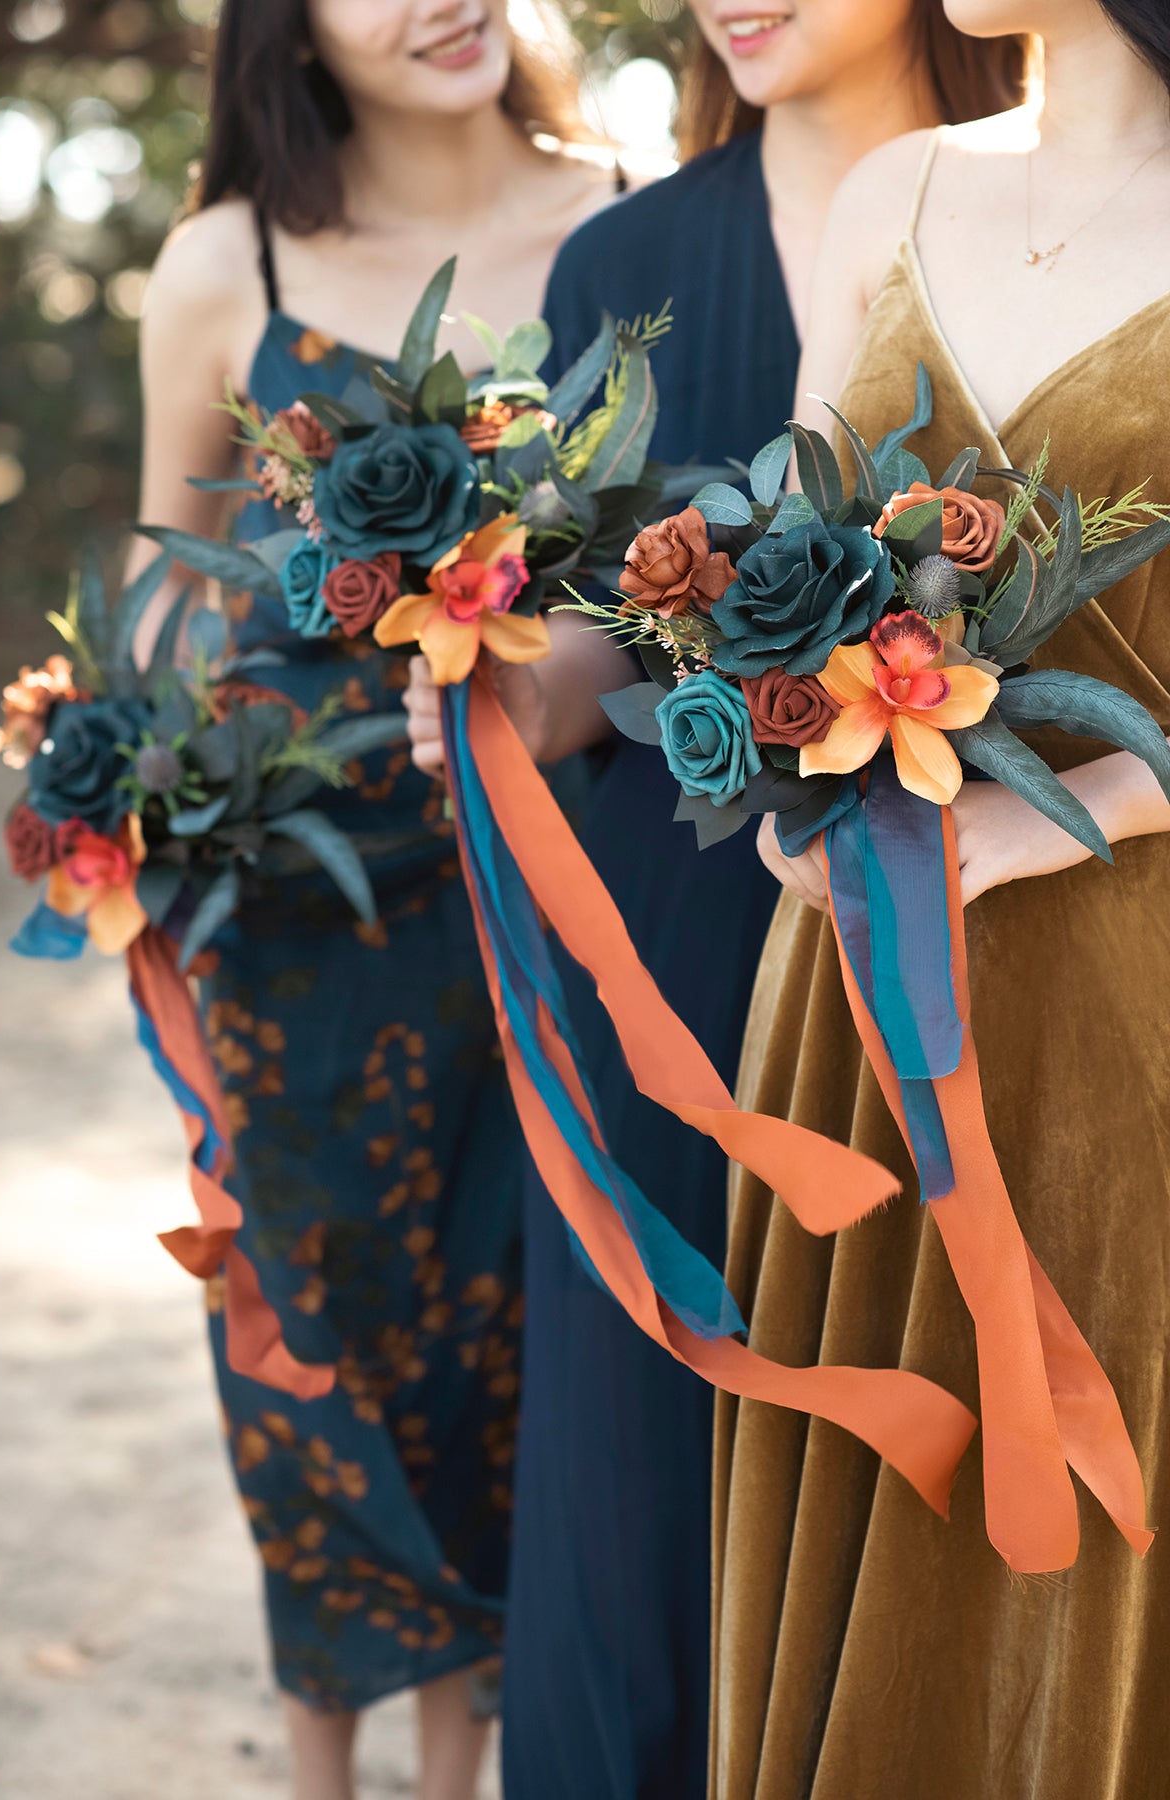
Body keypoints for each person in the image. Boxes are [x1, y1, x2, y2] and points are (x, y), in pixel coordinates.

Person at [403, 7, 1024, 1796]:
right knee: (636, 1479)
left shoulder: (1048, 215)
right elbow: (601, 623)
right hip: (665, 958)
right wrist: (504, 692)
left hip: (973, 931)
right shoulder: (631, 257)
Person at [129, 5, 626, 1797]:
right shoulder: (224, 263)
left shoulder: (635, 221)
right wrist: (117, 771)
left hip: (558, 887)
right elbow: (163, 568)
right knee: (308, 1340)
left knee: (515, 1338)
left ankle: (464, 1770)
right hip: (285, 907)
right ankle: (324, 1775)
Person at [715, 3, 1170, 1795]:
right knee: (865, 1518)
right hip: (849, 983)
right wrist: (771, 774)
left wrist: (1070, 819)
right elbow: (784, 562)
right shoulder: (891, 189)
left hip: (1128, 1008)